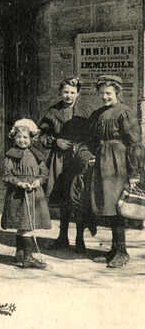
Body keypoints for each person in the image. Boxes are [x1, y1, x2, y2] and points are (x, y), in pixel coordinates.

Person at [76, 75, 144, 268]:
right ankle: (114, 250)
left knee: (118, 206)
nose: (105, 97)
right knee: (107, 205)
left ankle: (122, 252)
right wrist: (88, 155)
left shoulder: (125, 112)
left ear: (117, 93)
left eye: (109, 93)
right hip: (101, 163)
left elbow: (134, 144)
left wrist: (134, 173)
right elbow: (89, 139)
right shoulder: (98, 114)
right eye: (102, 93)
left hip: (119, 163)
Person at [39, 77, 92, 252]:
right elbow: (41, 136)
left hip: (78, 160)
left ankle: (79, 239)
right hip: (59, 161)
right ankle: (62, 237)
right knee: (63, 198)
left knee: (78, 197)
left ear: (78, 93)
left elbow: (92, 136)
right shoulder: (52, 112)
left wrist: (81, 146)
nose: (68, 96)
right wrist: (55, 142)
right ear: (60, 93)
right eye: (65, 92)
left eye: (72, 92)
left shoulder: (85, 111)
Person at [1, 119, 51, 269]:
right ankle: (27, 257)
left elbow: (44, 173)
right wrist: (19, 183)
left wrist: (38, 181)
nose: (22, 140)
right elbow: (6, 175)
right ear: (13, 137)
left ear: (32, 138)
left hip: (34, 194)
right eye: (19, 137)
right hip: (19, 195)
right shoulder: (11, 155)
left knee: (26, 225)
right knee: (25, 225)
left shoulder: (37, 154)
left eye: (25, 137)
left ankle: (20, 254)